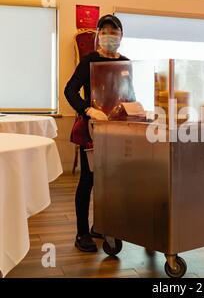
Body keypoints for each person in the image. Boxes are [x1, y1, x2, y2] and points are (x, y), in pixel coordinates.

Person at [65, 14, 129, 252]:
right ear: (98, 35)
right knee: (88, 180)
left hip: (118, 129)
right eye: (105, 31)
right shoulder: (89, 61)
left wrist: (134, 108)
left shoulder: (126, 62)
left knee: (111, 180)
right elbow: (70, 90)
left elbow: (129, 93)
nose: (110, 36)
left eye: (115, 32)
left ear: (121, 36)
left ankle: (101, 225)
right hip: (91, 129)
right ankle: (82, 232)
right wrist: (87, 109)